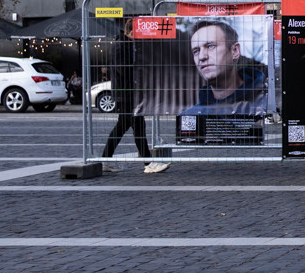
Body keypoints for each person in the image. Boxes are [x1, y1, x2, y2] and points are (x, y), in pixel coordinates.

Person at [100, 30, 167, 173]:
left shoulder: (127, 44)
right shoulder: (121, 46)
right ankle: (148, 163)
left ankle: (105, 159)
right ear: (131, 31)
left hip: (128, 93)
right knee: (138, 127)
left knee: (124, 127)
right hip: (126, 94)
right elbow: (125, 70)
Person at [181, 20, 268, 116]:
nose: (202, 57)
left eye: (210, 46)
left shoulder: (269, 106)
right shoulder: (191, 117)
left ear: (234, 51)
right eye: (196, 51)